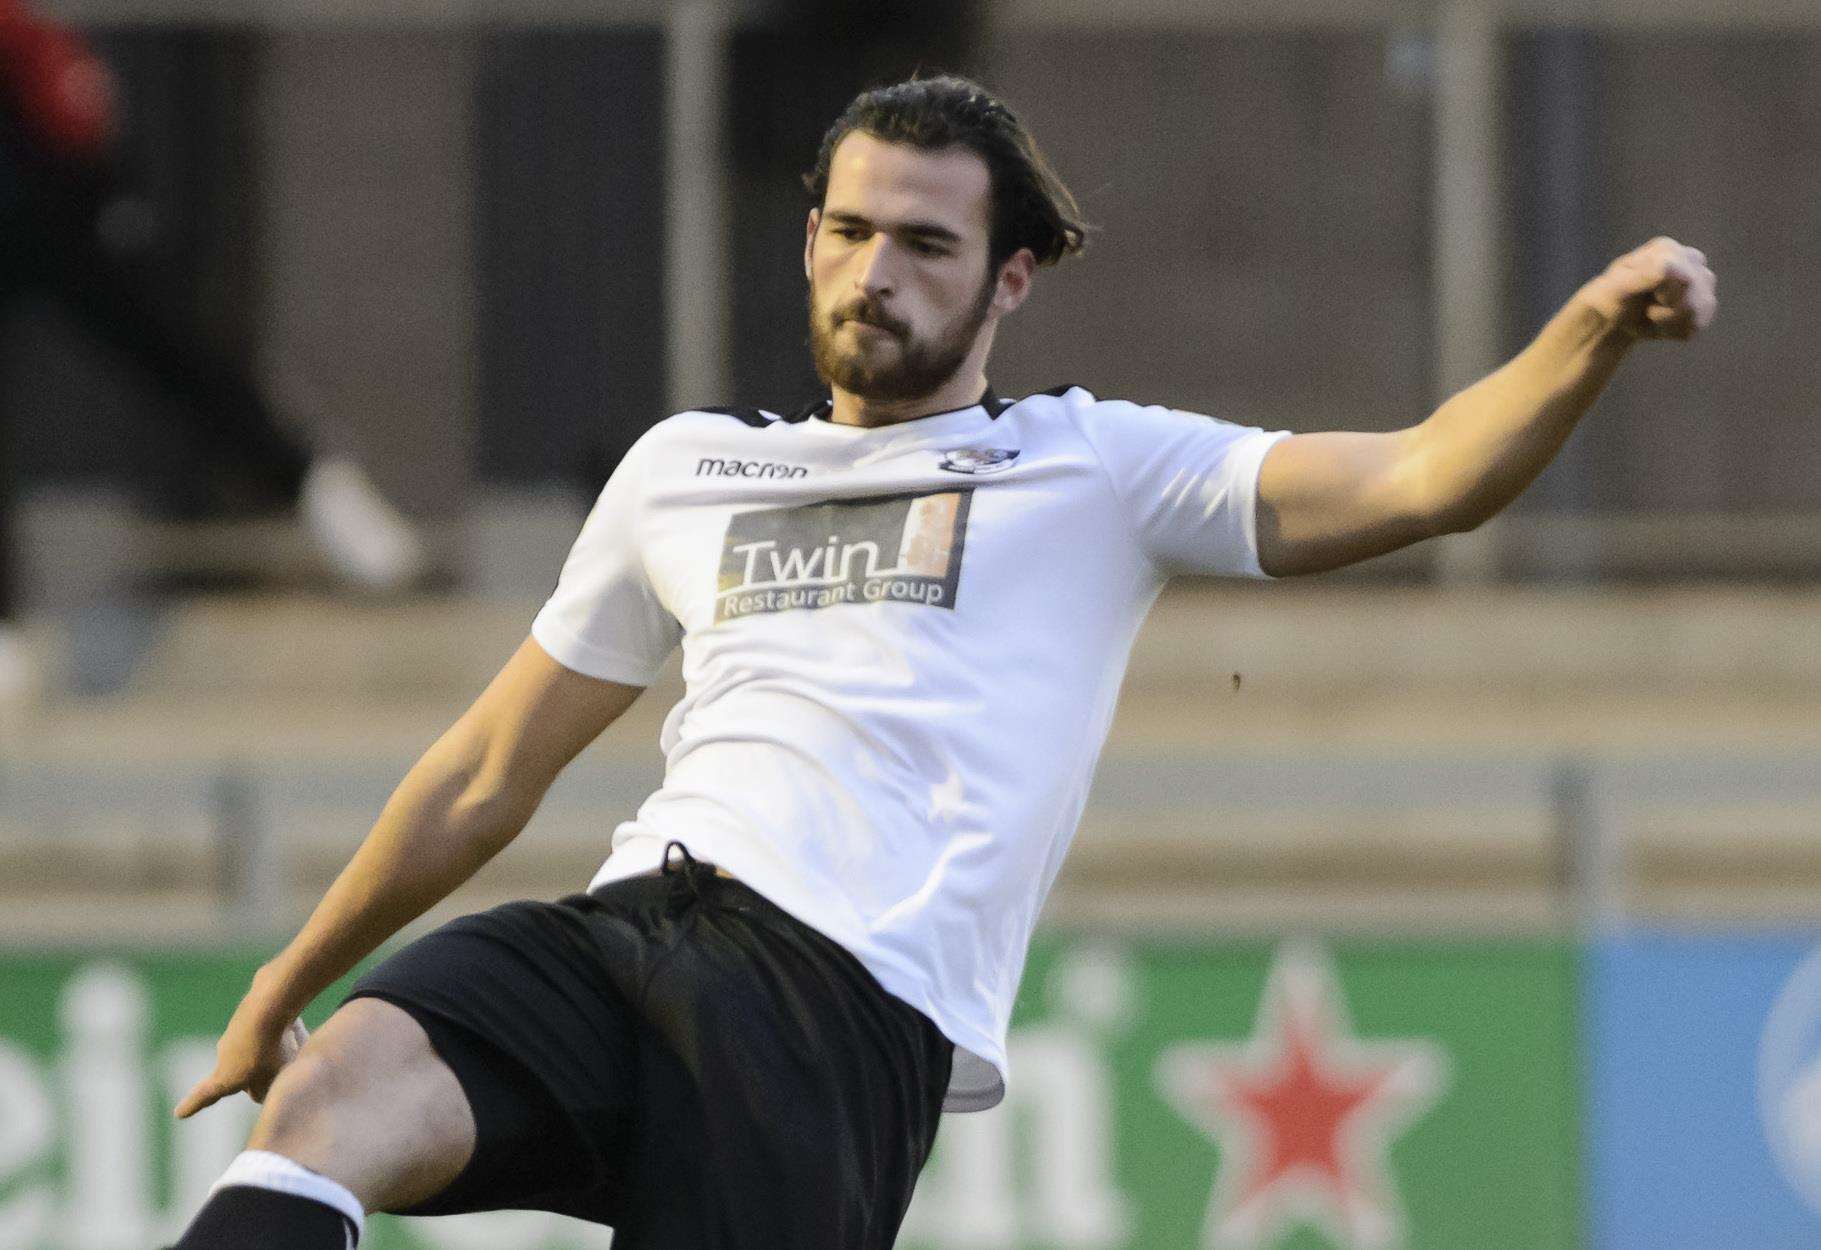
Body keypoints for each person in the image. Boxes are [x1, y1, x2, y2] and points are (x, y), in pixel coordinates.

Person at [163, 75, 1715, 1250]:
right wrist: (284, 980)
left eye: (924, 242)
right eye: (848, 231)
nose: (874, 272)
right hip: (631, 925)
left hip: (834, 1010)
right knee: (333, 1099)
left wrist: (1590, 325)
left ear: (1009, 279)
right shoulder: (687, 469)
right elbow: (487, 769)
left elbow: (1424, 477)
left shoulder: (1093, 468)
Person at [0, 0, 428, 703]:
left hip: (53, 196)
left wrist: (98, 177)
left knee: (178, 353)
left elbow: (65, 89)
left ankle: (320, 493)